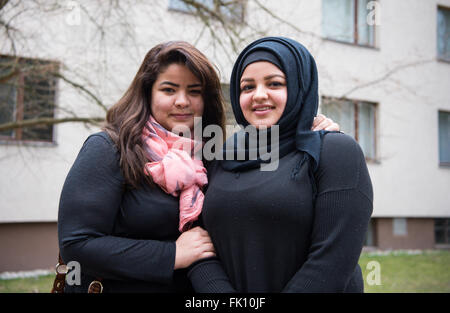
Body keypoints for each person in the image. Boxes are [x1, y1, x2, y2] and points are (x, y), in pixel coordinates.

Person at [57, 40, 339, 293]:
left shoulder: (211, 155)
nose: (182, 101)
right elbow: (76, 245)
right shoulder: (110, 148)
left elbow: (266, 176)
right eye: (169, 89)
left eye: (194, 91)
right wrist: (171, 254)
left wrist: (310, 132)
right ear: (148, 93)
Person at [187, 37, 373, 293]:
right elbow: (199, 245)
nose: (259, 95)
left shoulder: (334, 152)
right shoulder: (222, 156)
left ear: (299, 87)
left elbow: (331, 261)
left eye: (274, 83)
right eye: (247, 87)